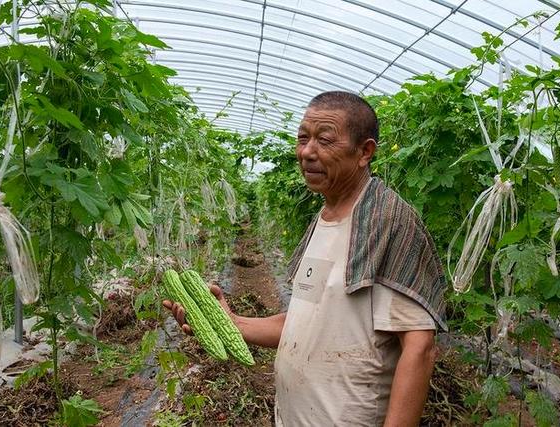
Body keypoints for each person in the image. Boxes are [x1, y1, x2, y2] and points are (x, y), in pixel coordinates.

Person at [163, 91, 447, 426]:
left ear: (364, 152)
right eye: (302, 138)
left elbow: (419, 347)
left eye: (324, 140)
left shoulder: (388, 223)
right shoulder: (323, 219)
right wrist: (230, 322)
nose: (307, 152)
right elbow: (304, 321)